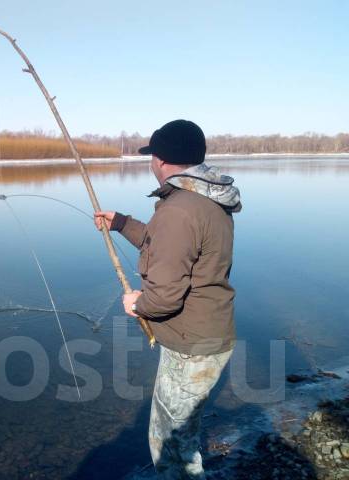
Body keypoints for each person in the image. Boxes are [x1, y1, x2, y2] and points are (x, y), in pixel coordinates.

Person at [94, 119, 241, 479]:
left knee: (170, 441)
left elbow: (163, 297)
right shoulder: (203, 199)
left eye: (152, 156)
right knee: (183, 433)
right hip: (206, 336)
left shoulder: (178, 210)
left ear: (161, 160)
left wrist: (137, 304)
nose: (151, 163)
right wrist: (123, 223)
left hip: (192, 346)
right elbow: (171, 249)